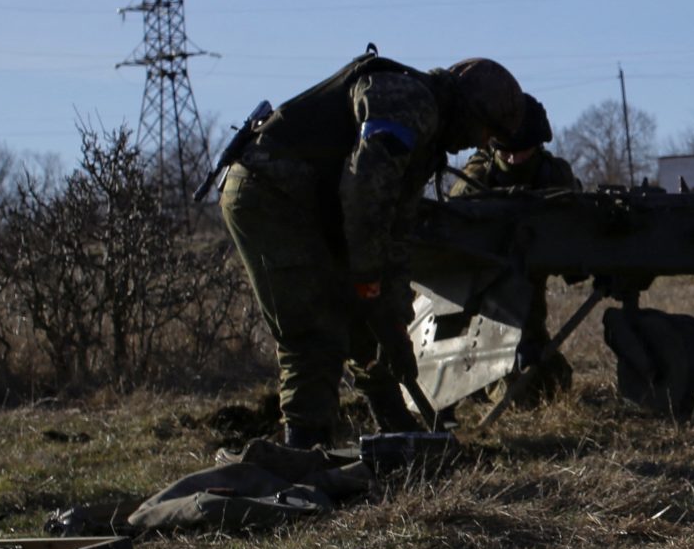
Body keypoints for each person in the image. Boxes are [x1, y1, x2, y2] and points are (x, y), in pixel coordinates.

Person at [220, 51, 529, 447]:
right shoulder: (409, 103)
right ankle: (304, 452)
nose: (478, 145)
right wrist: (367, 283)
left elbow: (396, 233)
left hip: (307, 202)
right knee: (315, 330)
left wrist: (392, 319)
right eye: (486, 133)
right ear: (470, 110)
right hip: (268, 193)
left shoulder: (426, 137)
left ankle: (398, 430)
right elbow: (365, 192)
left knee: (369, 328)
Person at [445, 90, 582, 402]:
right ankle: (478, 380)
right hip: (479, 282)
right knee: (506, 379)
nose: (513, 159)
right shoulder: (477, 176)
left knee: (550, 378)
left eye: (522, 152)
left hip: (529, 283)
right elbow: (456, 220)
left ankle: (529, 364)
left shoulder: (553, 173)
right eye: (506, 152)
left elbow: (573, 220)